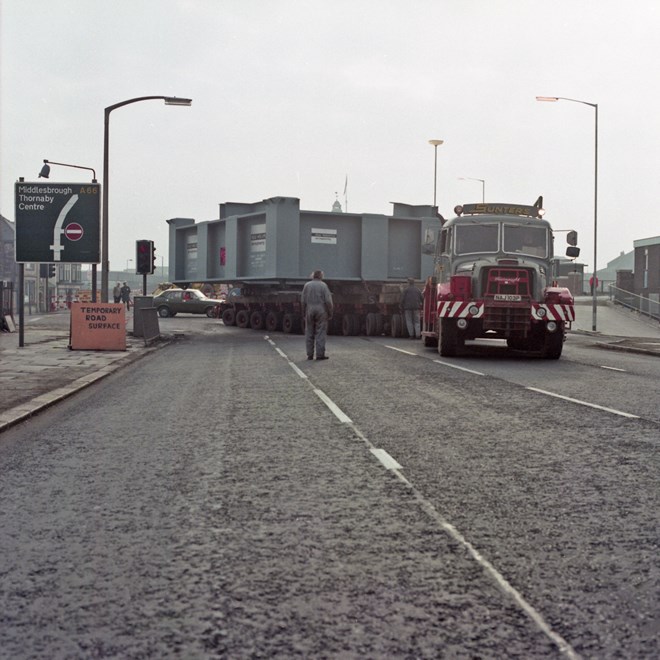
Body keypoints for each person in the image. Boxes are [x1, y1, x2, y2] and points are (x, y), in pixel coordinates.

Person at [301, 270, 333, 360]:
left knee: (309, 331)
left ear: (313, 276)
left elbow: (303, 300)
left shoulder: (307, 285)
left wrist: (303, 312)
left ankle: (309, 354)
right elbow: (328, 301)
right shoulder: (323, 286)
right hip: (321, 310)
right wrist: (330, 312)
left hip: (309, 309)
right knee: (321, 332)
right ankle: (320, 354)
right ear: (321, 276)